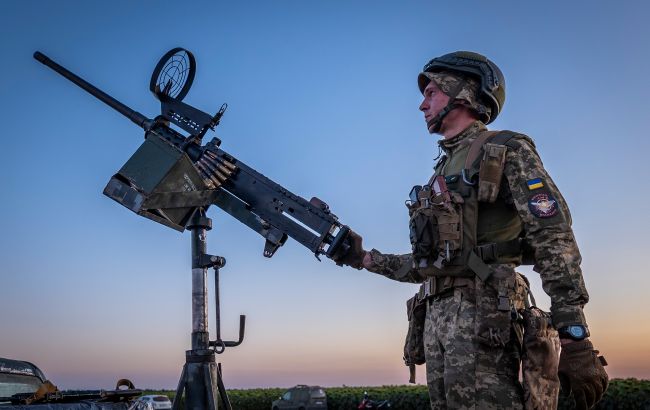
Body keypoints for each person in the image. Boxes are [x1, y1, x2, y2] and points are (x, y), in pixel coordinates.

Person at [332, 51, 608, 409]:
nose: (422, 105)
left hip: (485, 318)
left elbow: (553, 236)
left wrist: (573, 332)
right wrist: (365, 259)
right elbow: (433, 264)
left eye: (431, 93)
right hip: (439, 326)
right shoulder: (442, 171)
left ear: (462, 93)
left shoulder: (504, 150)